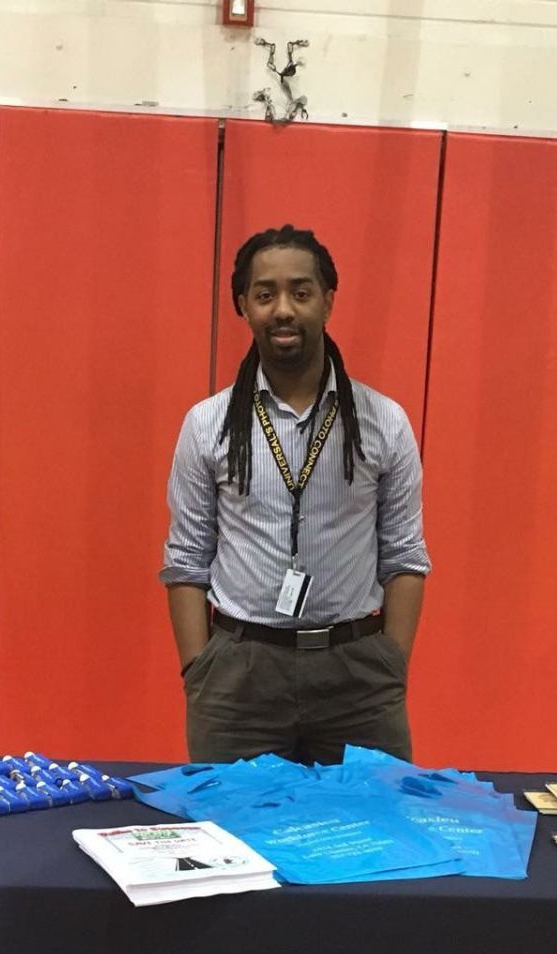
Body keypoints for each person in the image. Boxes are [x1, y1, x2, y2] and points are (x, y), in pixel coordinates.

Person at [160, 224, 430, 765]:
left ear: (328, 302)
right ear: (243, 305)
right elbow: (186, 561)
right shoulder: (208, 424)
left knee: (372, 837)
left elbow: (404, 556)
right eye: (265, 294)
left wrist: (389, 664)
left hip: (357, 677)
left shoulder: (383, 422)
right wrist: (200, 673)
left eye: (301, 292)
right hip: (239, 680)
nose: (283, 309)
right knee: (234, 843)